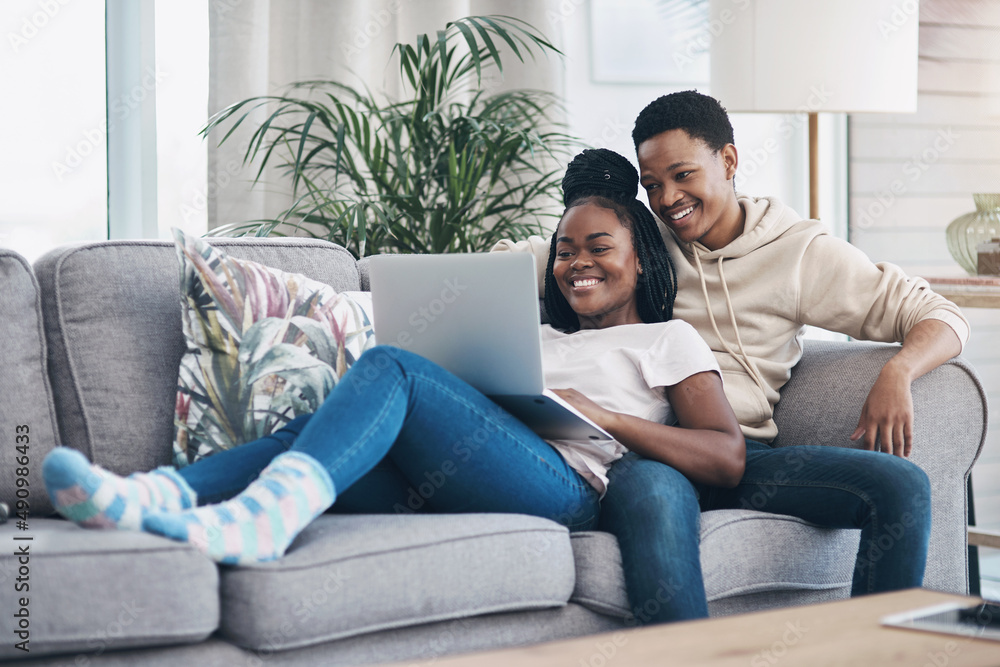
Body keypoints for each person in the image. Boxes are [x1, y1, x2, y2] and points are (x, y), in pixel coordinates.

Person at [41, 148, 745, 568]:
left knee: (394, 366)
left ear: (640, 257)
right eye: (564, 249)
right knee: (313, 434)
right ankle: (154, 495)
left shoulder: (666, 338)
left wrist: (603, 416)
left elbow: (726, 456)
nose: (576, 262)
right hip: (475, 466)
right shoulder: (539, 334)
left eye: (598, 247)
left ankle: (262, 523)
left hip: (564, 486)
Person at [493, 90, 968, 624]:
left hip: (739, 456)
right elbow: (527, 262)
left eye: (682, 175)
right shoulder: (642, 242)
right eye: (653, 185)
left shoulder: (800, 254)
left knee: (901, 485)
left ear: (729, 160)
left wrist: (897, 371)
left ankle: (877, 652)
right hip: (641, 449)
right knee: (652, 487)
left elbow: (940, 315)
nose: (668, 198)